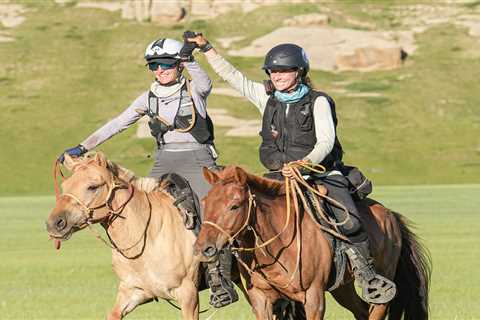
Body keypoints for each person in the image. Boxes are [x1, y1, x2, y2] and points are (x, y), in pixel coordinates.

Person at [186, 32, 396, 304]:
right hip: (277, 176)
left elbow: (326, 141)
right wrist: (208, 49)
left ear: (299, 72)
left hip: (320, 173)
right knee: (237, 214)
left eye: (285, 70)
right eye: (273, 71)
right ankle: (223, 281)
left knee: (350, 220)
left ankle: (367, 274)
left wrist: (303, 163)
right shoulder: (267, 98)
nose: (278, 75)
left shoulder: (318, 101)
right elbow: (233, 78)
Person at [58, 36, 238, 308]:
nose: (160, 70)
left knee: (209, 213)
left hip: (198, 160)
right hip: (164, 162)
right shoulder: (148, 98)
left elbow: (206, 83)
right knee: (137, 207)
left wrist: (190, 58)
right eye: (154, 65)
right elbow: (118, 123)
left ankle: (219, 278)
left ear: (177, 65)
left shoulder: (193, 91)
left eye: (166, 63)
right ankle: (142, 271)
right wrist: (83, 145)